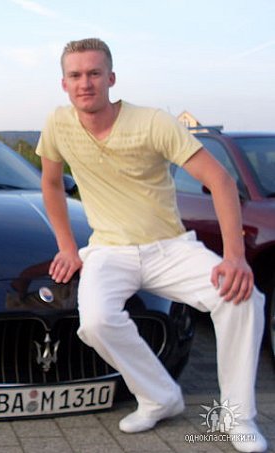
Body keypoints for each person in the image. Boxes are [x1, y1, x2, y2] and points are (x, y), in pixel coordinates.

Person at [35, 38, 267, 453]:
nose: (85, 83)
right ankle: (160, 397)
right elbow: (51, 184)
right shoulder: (57, 123)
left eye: (94, 73)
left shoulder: (153, 122)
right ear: (64, 83)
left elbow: (220, 181)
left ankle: (237, 416)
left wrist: (235, 257)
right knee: (96, 322)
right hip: (109, 250)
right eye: (76, 75)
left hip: (170, 248)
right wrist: (67, 247)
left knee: (243, 300)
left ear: (111, 78)